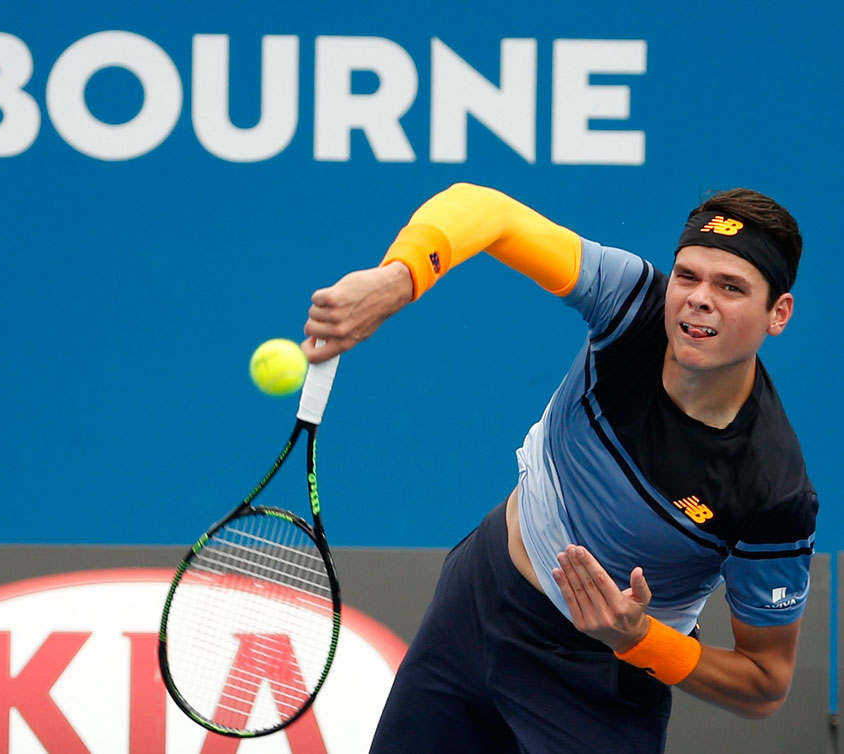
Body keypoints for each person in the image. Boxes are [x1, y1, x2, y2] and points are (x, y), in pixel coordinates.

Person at [301, 183, 816, 753]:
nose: (697, 298)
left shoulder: (771, 489)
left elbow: (764, 684)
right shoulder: (632, 305)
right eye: (688, 276)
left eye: (730, 287)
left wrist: (640, 639)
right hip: (479, 599)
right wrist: (400, 277)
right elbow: (489, 212)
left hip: (595, 680)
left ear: (779, 313)